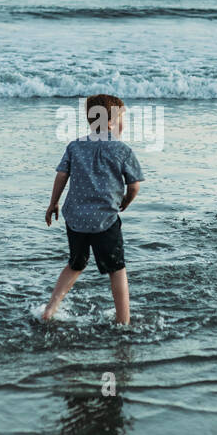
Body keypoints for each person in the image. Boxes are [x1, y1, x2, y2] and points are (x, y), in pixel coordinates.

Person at [43, 95, 145, 324]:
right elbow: (134, 185)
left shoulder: (75, 146)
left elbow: (61, 175)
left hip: (75, 218)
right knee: (117, 269)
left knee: (76, 263)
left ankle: (50, 310)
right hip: (105, 220)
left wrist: (53, 203)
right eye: (122, 119)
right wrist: (127, 201)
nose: (123, 124)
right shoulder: (122, 150)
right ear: (109, 123)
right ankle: (123, 320)